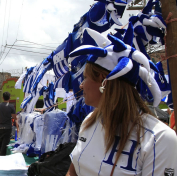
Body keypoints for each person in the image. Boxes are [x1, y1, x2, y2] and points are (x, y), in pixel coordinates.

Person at [66, 32, 177, 176]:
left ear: (103, 80)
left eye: (85, 78)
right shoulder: (89, 122)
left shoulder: (160, 138)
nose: (81, 85)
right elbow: (72, 172)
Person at [0, 91, 19, 156]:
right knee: (5, 145)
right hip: (8, 127)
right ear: (9, 98)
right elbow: (14, 117)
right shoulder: (11, 106)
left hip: (0, 127)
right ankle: (2, 158)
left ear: (2, 98)